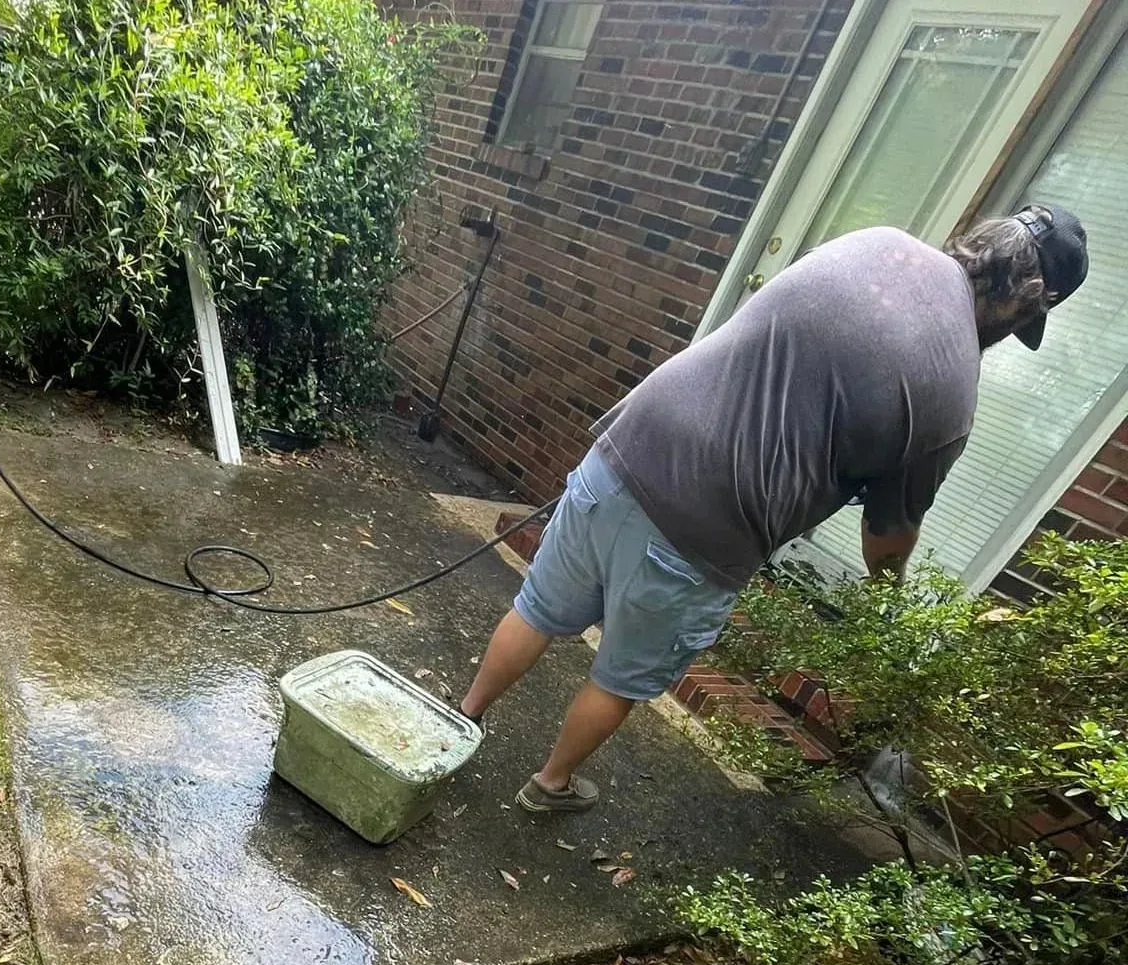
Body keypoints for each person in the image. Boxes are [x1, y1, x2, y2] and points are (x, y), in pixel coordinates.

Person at [458, 205, 1089, 814]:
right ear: (1032, 300)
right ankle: (551, 783)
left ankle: (462, 720)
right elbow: (887, 535)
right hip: (705, 530)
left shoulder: (878, 242)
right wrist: (887, 602)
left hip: (627, 447)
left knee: (538, 610)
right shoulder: (952, 395)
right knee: (619, 679)